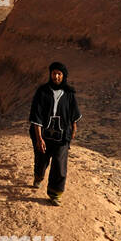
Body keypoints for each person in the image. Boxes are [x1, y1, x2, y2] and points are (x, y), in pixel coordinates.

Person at [28, 61, 82, 204]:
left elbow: (74, 116)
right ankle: (38, 176)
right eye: (54, 73)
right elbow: (36, 115)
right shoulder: (42, 92)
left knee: (59, 163)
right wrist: (39, 138)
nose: (56, 76)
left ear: (63, 76)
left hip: (62, 135)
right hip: (43, 134)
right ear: (50, 74)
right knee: (41, 160)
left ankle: (55, 193)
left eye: (59, 74)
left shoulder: (69, 94)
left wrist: (72, 132)